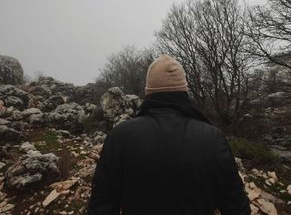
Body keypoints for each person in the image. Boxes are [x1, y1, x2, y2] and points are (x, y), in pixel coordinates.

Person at [87, 55, 250, 215]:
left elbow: (101, 206)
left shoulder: (120, 137)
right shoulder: (213, 138)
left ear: (148, 91)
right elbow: (236, 207)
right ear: (184, 90)